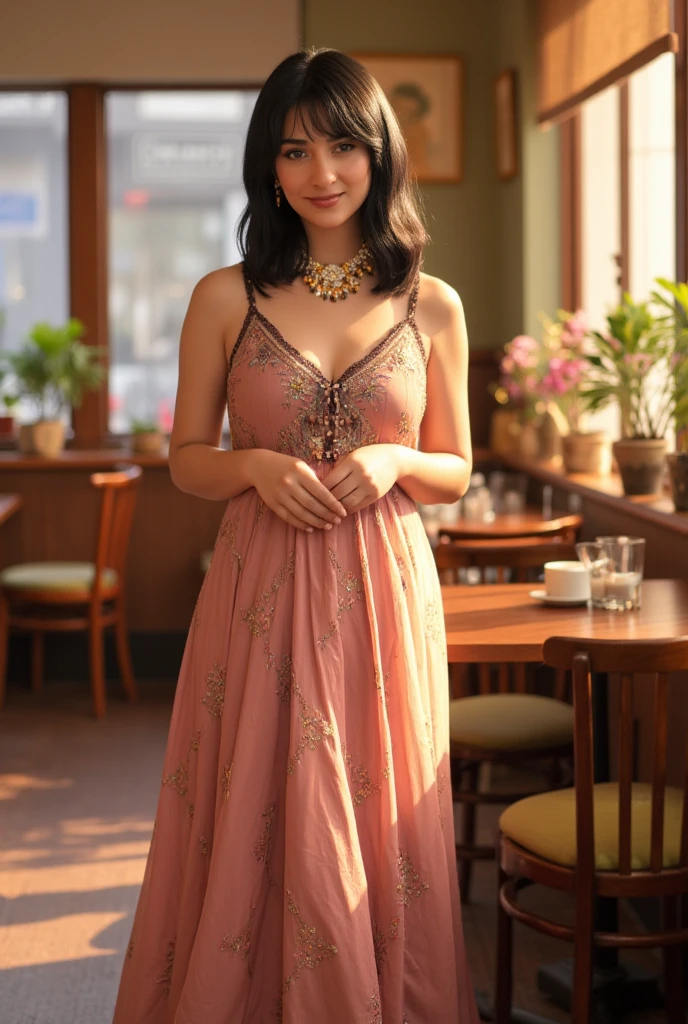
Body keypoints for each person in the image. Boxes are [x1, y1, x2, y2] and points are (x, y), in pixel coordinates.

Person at [112, 47, 477, 1024]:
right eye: (294, 150)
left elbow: (456, 469)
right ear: (266, 168)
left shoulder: (430, 303)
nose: (321, 173)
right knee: (250, 807)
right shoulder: (222, 297)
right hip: (258, 581)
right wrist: (253, 467)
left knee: (371, 810)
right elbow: (187, 456)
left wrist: (398, 463)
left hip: (384, 592)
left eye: (343, 147)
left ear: (378, 154)